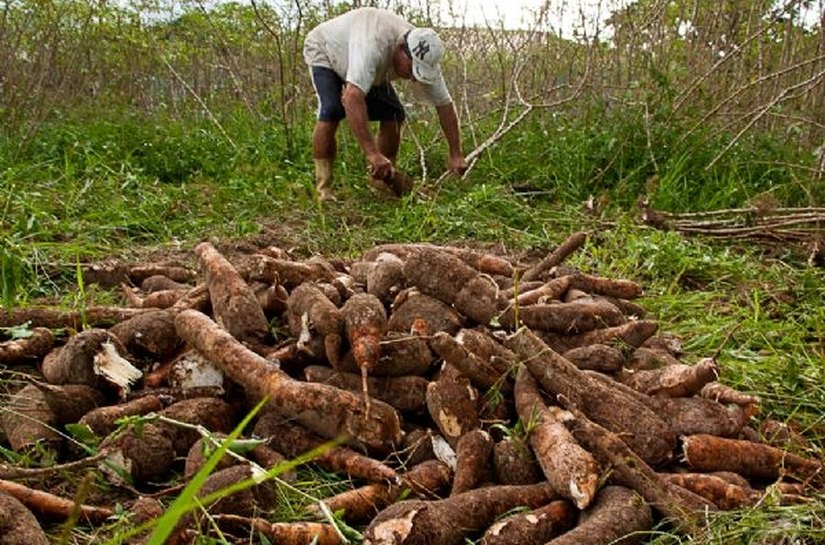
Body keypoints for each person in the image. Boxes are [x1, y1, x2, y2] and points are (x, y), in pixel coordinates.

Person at [303, 7, 468, 201]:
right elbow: (352, 97)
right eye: (412, 70)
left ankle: (381, 181)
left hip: (365, 66)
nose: (414, 78)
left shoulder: (425, 54)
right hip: (326, 51)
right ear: (400, 50)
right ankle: (324, 189)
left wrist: (455, 153)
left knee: (394, 114)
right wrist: (371, 153)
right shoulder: (373, 45)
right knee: (332, 110)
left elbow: (444, 105)